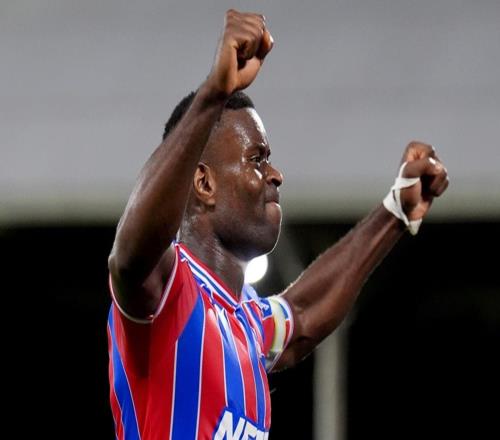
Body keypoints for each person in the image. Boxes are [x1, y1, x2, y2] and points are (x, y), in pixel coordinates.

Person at [106, 9, 449, 440]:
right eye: (257, 159)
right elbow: (128, 257)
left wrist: (395, 211)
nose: (276, 175)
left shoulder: (247, 320)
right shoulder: (167, 292)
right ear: (205, 183)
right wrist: (214, 92)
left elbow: (303, 312)